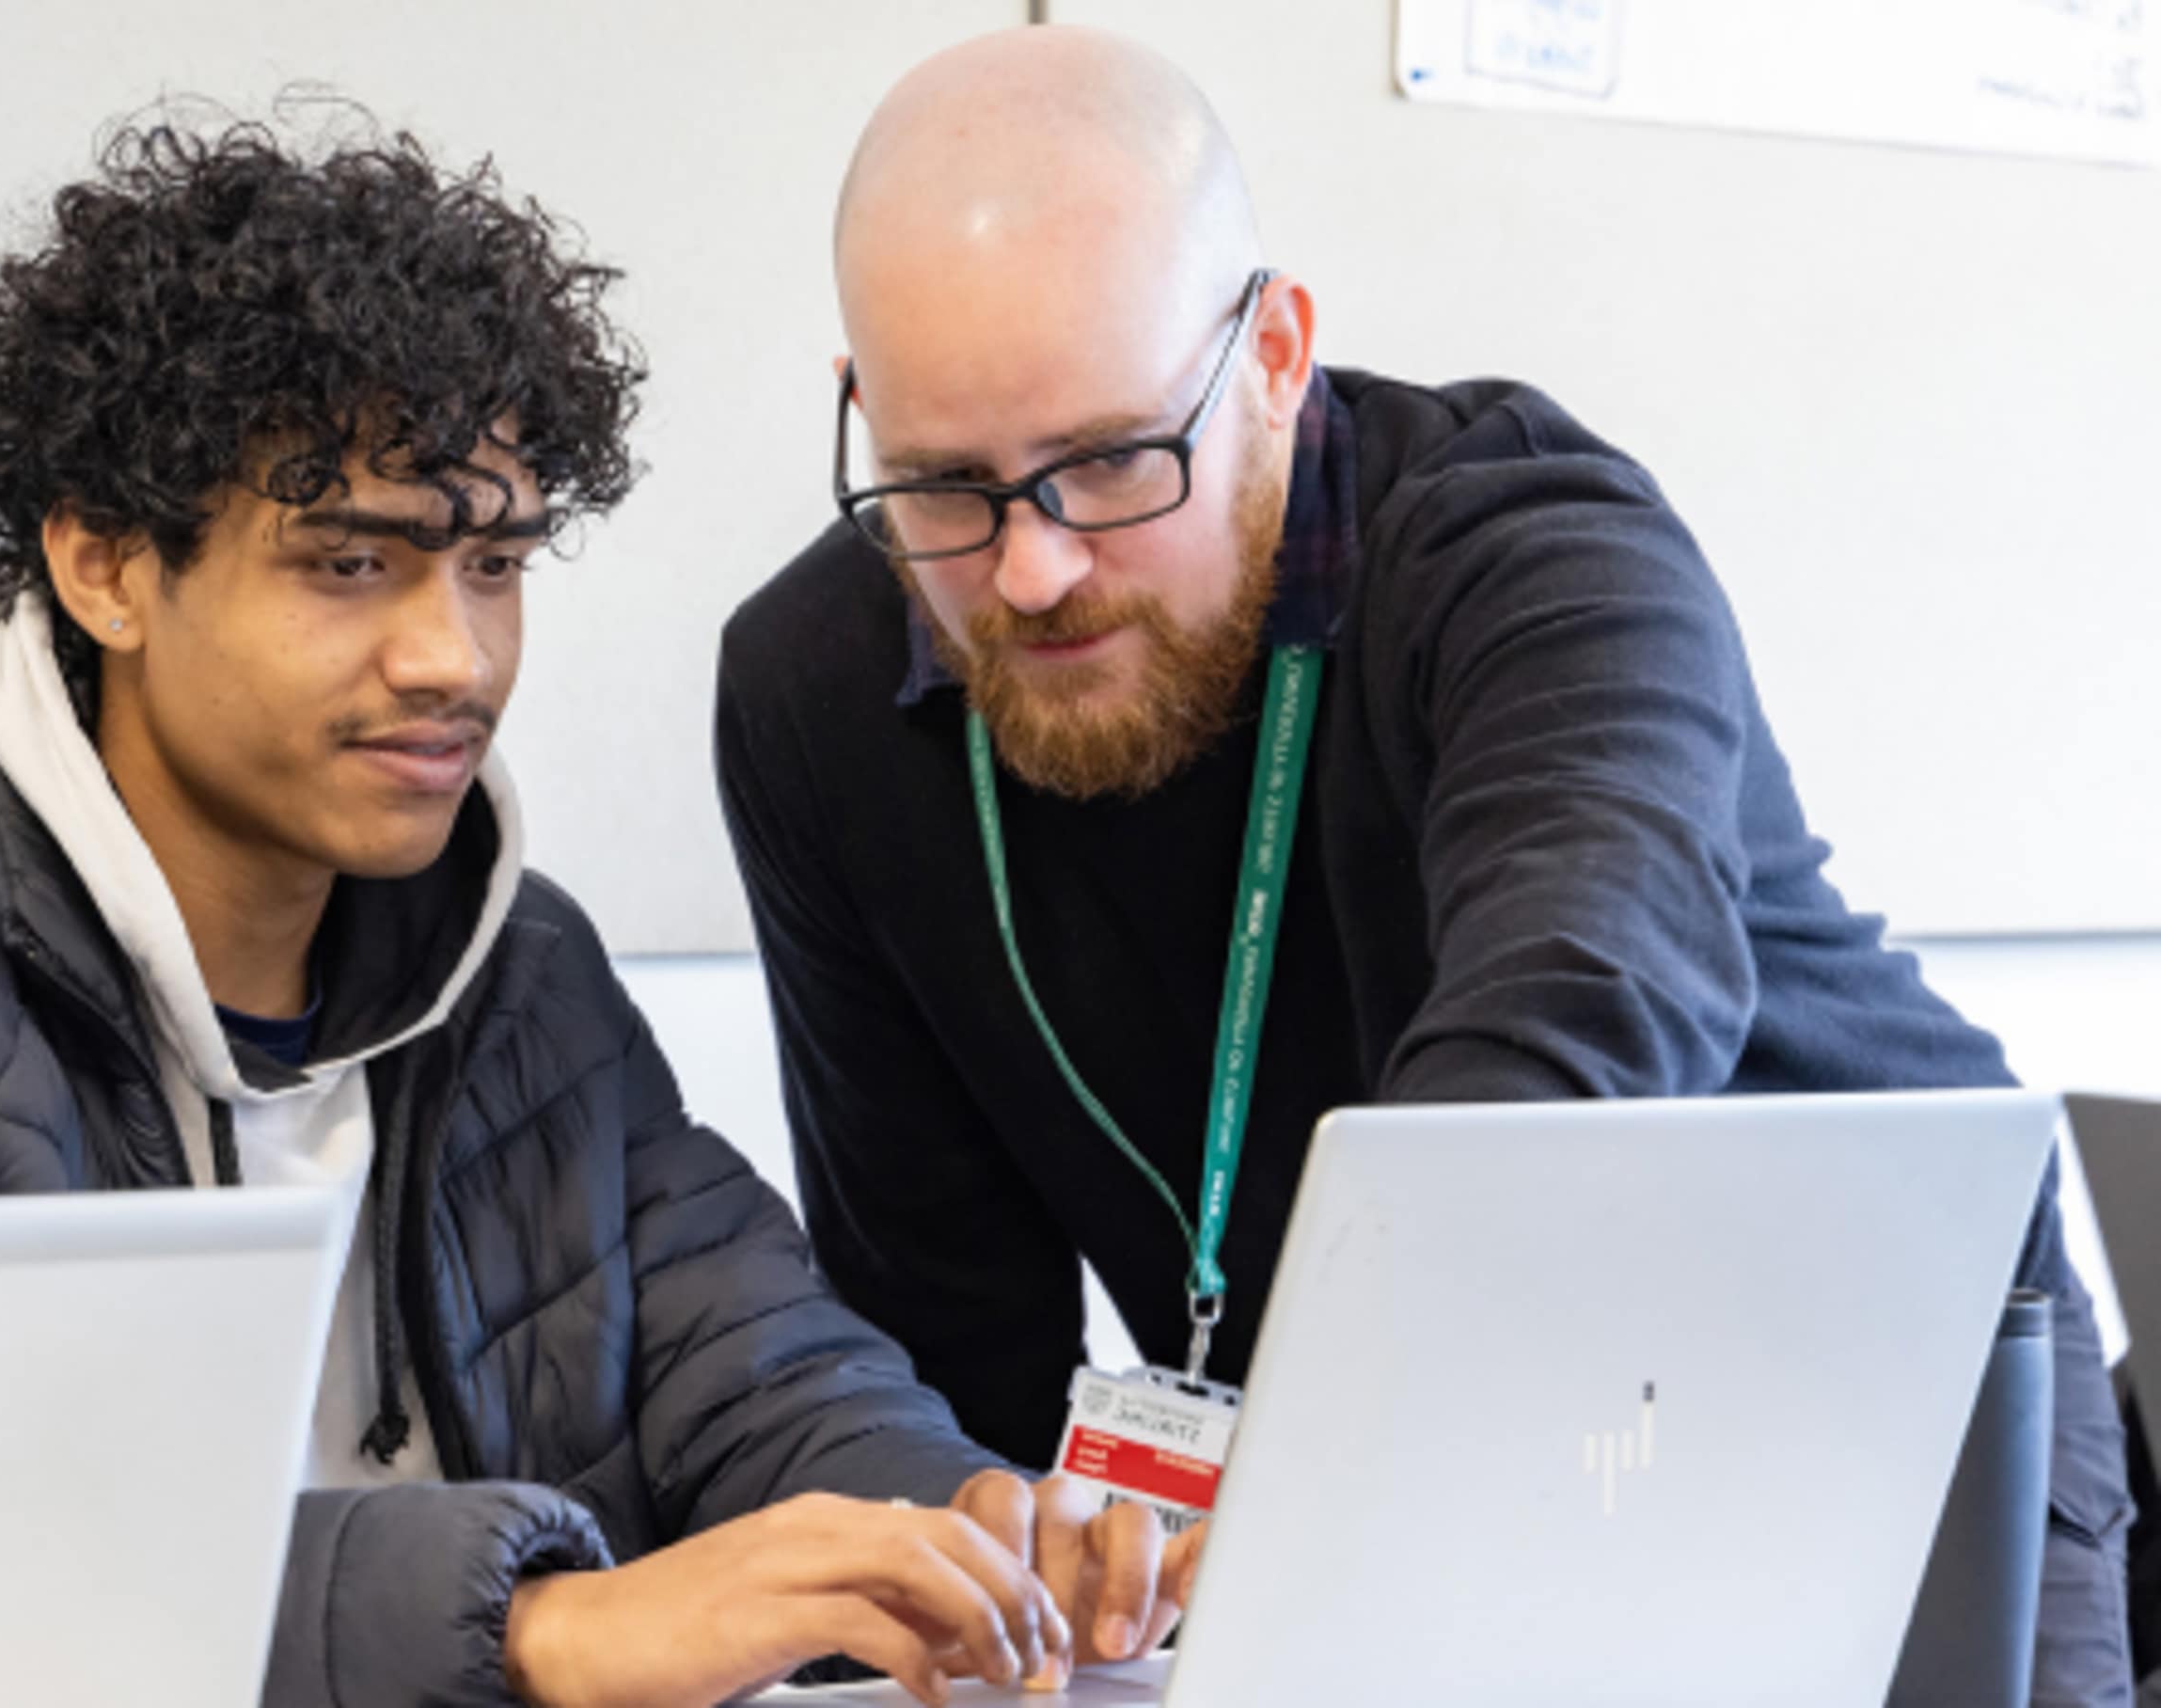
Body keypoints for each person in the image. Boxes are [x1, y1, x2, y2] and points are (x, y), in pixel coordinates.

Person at [0, 110, 1159, 1706]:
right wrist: (532, 1625)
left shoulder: (525, 968)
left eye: (496, 565)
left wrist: (958, 1519)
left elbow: (763, 1368)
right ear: (103, 567)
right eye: (353, 565)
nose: (455, 657)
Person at [715, 24, 2131, 1697]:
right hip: (1387, 1447)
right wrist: (987, 1556)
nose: (1032, 572)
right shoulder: (812, 694)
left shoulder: (1539, 555)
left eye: (1110, 460)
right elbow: (938, 1335)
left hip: (1862, 1397)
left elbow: (1572, 1028)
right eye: (947, 483)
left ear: (1276, 355)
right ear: (860, 414)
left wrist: (1333, 1466)